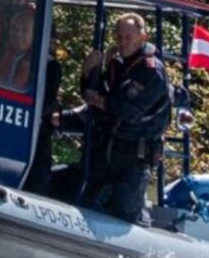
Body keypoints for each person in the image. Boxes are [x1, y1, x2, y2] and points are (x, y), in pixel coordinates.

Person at [72, 12, 172, 223]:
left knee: (125, 211)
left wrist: (98, 100)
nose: (122, 42)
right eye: (119, 37)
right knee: (90, 196)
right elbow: (96, 98)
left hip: (133, 157)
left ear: (142, 37)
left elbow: (125, 109)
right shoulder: (118, 65)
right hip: (109, 149)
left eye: (128, 37)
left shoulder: (151, 71)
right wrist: (88, 73)